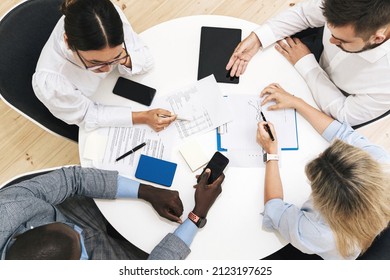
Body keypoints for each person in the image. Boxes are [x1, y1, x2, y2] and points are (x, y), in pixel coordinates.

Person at [256, 82, 390, 259]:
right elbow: (342, 133)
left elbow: (274, 210)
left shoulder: (319, 234)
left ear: (321, 199)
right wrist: (296, 102)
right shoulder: (382, 163)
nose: (320, 152)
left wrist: (271, 152)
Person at [0, 166, 224, 260]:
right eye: (82, 255)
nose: (83, 235)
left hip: (80, 210)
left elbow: (73, 179)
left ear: (19, 234)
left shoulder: (10, 207)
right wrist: (197, 215)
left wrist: (146, 191)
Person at [226, 0, 390, 128]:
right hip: (309, 54)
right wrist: (258, 37)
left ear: (377, 38)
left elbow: (345, 114)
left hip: (333, 100)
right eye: (330, 30)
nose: (332, 41)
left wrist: (306, 63)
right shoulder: (346, 7)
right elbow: (304, 15)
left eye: (340, 40)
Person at [33, 0, 176, 132]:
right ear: (68, 42)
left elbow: (146, 60)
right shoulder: (52, 83)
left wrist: (124, 59)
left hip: (115, 89)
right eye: (95, 63)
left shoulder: (105, 20)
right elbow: (89, 115)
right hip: (92, 103)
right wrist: (143, 117)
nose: (107, 68)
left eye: (115, 57)